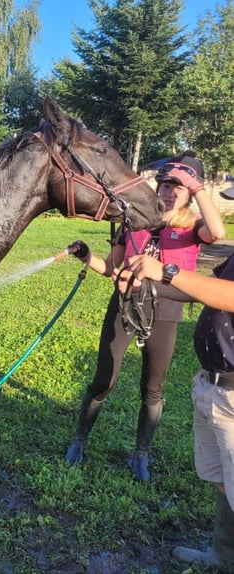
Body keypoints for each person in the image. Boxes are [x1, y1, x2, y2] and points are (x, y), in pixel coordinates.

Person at [64, 151, 227, 481]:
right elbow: (111, 269)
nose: (169, 192)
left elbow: (218, 233)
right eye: (165, 185)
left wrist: (197, 189)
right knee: (103, 380)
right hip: (125, 306)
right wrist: (87, 257)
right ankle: (80, 440)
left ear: (188, 194)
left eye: (177, 188)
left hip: (165, 313)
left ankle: (141, 454)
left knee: (152, 388)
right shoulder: (133, 222)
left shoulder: (193, 228)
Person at [125, 184, 234, 567]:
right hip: (214, 385)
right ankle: (222, 556)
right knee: (223, 481)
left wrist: (168, 269)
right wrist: (151, 282)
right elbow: (207, 291)